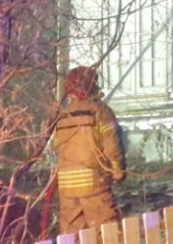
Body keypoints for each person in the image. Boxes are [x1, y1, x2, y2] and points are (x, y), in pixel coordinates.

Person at [51, 65, 126, 231]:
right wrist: (117, 172)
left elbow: (57, 147)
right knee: (104, 235)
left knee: (72, 239)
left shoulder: (63, 116)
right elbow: (112, 146)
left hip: (67, 187)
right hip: (94, 184)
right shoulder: (101, 112)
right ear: (93, 86)